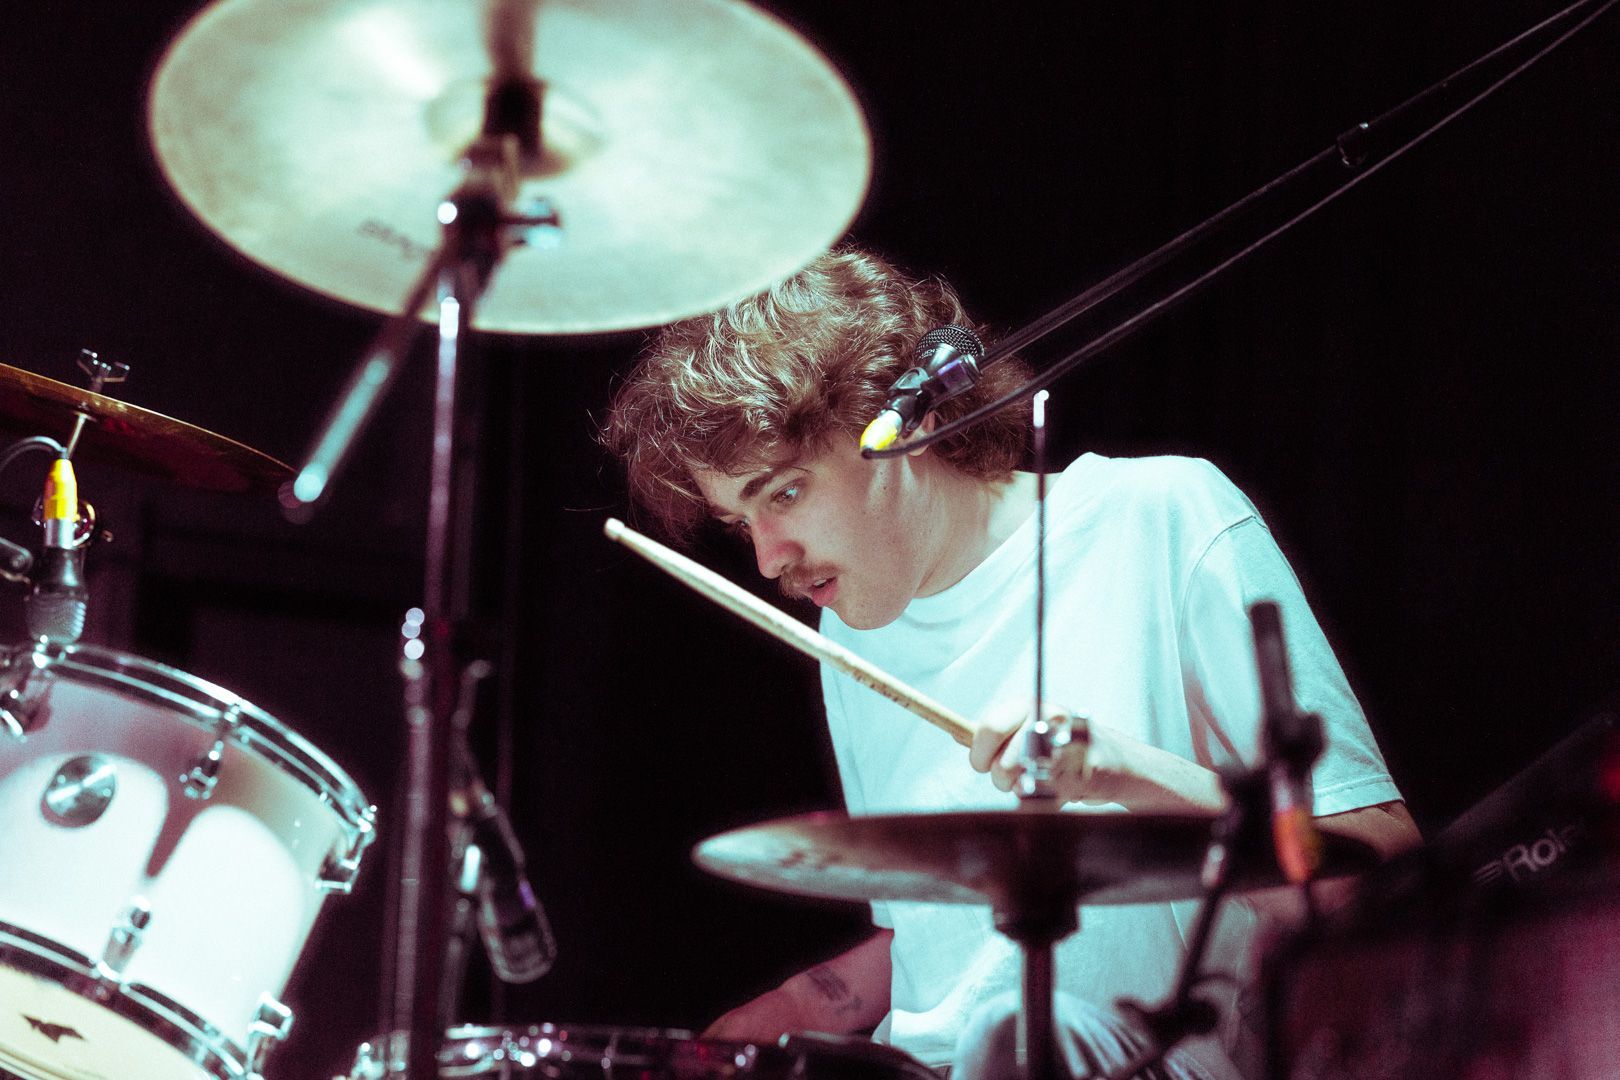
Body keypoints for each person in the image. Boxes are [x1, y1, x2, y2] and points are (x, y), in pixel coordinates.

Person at [602, 247, 1420, 1078]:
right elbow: (946, 931)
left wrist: (1121, 772)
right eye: (742, 524)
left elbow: (1378, 879)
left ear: (907, 423)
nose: (770, 560)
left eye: (783, 493)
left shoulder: (1164, 519)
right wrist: (802, 1006)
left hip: (1149, 1063)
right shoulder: (848, 635)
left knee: (1019, 1033)